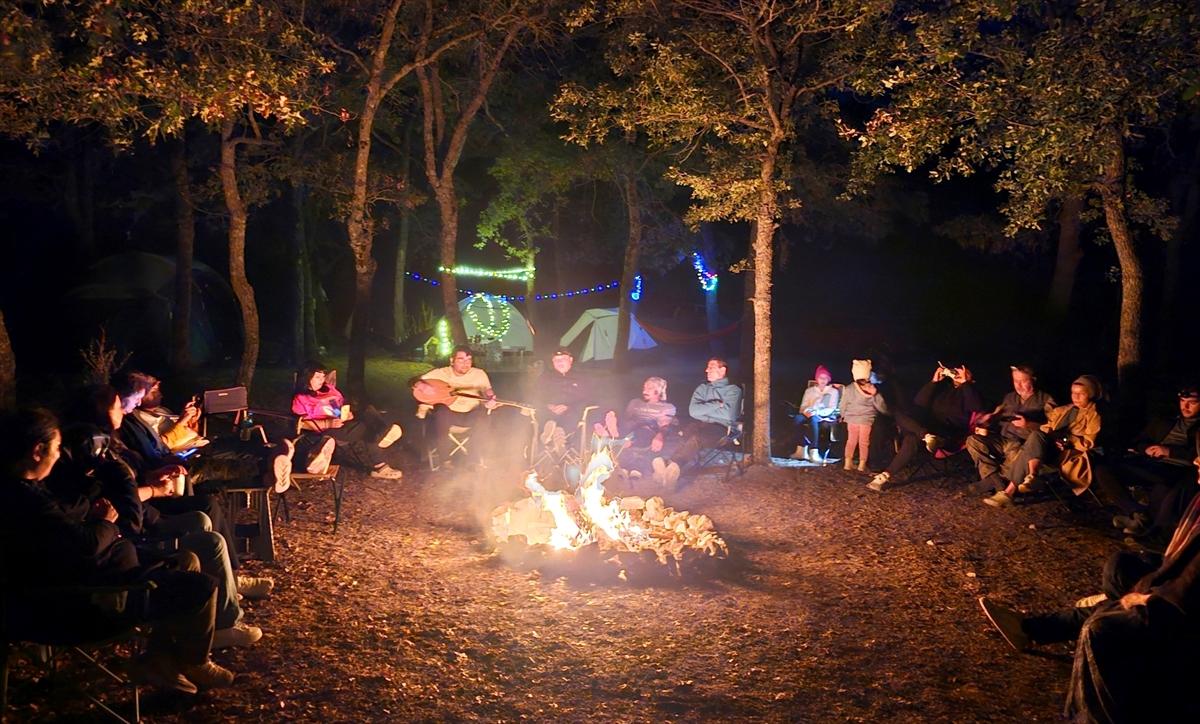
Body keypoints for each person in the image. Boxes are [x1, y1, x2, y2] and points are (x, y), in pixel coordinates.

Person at [0, 407, 235, 695]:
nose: (59, 455)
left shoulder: (29, 489)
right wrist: (106, 521)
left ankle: (159, 659)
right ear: (38, 451)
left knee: (186, 561)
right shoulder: (25, 500)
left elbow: (69, 527)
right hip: (93, 600)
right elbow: (86, 544)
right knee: (201, 586)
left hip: (99, 578)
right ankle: (194, 660)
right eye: (57, 448)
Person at [977, 440, 1200, 723]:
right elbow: (1170, 544)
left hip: (1182, 603)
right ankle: (1050, 622)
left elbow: (1190, 581)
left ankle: (1036, 634)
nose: (1196, 463)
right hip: (1168, 572)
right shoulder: (1193, 492)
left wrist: (1150, 596)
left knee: (1100, 627)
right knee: (1119, 567)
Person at [48, 421, 268, 650]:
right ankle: (222, 625)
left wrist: (147, 478)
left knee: (200, 520)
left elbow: (132, 490)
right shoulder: (78, 490)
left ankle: (222, 594)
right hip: (135, 548)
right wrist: (133, 482)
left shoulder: (105, 457)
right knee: (211, 543)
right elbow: (130, 522)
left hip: (142, 527)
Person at [117, 371, 295, 494]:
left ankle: (275, 456)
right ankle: (269, 471)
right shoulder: (138, 420)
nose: (159, 393)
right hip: (186, 452)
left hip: (195, 444)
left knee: (237, 445)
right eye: (153, 391)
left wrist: (192, 420)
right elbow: (164, 444)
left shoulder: (160, 411)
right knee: (221, 463)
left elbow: (183, 433)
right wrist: (182, 421)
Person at [1093, 384, 1200, 536]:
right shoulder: (1166, 421)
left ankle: (1142, 527)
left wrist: (1170, 451)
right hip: (1152, 464)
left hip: (1178, 469)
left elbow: (1197, 455)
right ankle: (1137, 513)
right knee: (1104, 470)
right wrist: (1146, 448)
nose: (1185, 406)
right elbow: (1139, 441)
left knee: (1164, 489)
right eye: (1183, 401)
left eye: (1192, 403)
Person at [984, 375, 1103, 508]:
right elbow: (1046, 427)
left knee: (1030, 446)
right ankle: (1031, 477)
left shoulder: (1094, 415)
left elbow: (1088, 443)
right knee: (1035, 438)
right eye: (1073, 393)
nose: (1076, 397)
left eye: (1081, 394)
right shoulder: (1064, 410)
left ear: (1090, 394)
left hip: (1067, 453)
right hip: (1048, 447)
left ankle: (1011, 490)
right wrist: (1052, 436)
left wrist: (1067, 441)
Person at [867, 362, 984, 492]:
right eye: (956, 371)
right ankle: (925, 437)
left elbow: (977, 407)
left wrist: (965, 384)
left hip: (949, 435)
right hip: (928, 431)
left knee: (912, 438)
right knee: (899, 414)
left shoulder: (971, 392)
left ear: (970, 377)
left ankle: (885, 475)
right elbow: (919, 402)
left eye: (963, 371)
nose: (957, 373)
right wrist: (934, 382)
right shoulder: (945, 389)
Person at [292, 362, 404, 479]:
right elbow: (301, 423)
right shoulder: (301, 399)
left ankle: (383, 432)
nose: (322, 380)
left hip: (341, 422)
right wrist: (327, 423)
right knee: (368, 430)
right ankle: (380, 456)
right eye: (317, 377)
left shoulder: (328, 390)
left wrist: (345, 414)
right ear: (307, 378)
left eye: (323, 376)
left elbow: (336, 407)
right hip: (327, 430)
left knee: (368, 409)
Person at [965, 365, 1056, 494]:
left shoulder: (1045, 400)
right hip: (1004, 439)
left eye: (1023, 381)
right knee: (973, 441)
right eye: (1015, 381)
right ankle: (995, 480)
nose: (1018, 385)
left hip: (1024, 443)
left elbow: (1053, 427)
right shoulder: (1010, 398)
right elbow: (997, 414)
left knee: (1016, 453)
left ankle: (995, 483)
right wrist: (987, 419)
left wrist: (1029, 424)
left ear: (1033, 380)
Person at [652, 358, 742, 489]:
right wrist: (717, 404)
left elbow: (729, 415)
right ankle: (671, 470)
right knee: (687, 433)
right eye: (707, 367)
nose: (707, 370)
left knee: (696, 438)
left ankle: (671, 465)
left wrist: (704, 411)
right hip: (699, 423)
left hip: (721, 428)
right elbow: (693, 411)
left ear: (722, 370)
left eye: (711, 367)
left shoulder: (733, 390)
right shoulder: (702, 389)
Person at [414, 346, 499, 465]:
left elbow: (488, 391)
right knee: (441, 411)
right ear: (452, 360)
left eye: (469, 360)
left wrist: (490, 398)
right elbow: (414, 381)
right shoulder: (442, 373)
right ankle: (445, 460)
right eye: (461, 360)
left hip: (471, 415)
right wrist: (422, 386)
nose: (466, 364)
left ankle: (474, 460)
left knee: (483, 417)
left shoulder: (479, 374)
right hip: (448, 416)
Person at [537, 349, 593, 446]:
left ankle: (558, 436)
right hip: (549, 412)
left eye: (563, 359)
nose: (559, 362)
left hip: (572, 411)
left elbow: (588, 398)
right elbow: (536, 396)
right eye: (556, 360)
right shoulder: (545, 378)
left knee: (571, 416)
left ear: (570, 360)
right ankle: (551, 434)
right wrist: (548, 406)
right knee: (545, 415)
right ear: (553, 362)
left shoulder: (582, 378)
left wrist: (568, 407)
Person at [840, 359, 888, 473]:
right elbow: (881, 406)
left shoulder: (849, 388)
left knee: (851, 441)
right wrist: (886, 410)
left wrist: (842, 415)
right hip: (867, 420)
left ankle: (848, 462)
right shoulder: (872, 389)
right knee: (864, 442)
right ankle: (862, 464)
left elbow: (843, 403)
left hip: (852, 419)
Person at [788, 365, 841, 464]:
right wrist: (807, 411)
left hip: (823, 415)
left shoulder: (833, 391)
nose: (823, 380)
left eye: (825, 378)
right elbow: (803, 405)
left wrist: (817, 412)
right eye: (821, 377)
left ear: (828, 379)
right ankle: (801, 449)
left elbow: (832, 407)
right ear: (817, 379)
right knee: (797, 419)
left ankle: (814, 451)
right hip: (809, 412)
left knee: (814, 419)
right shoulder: (810, 391)